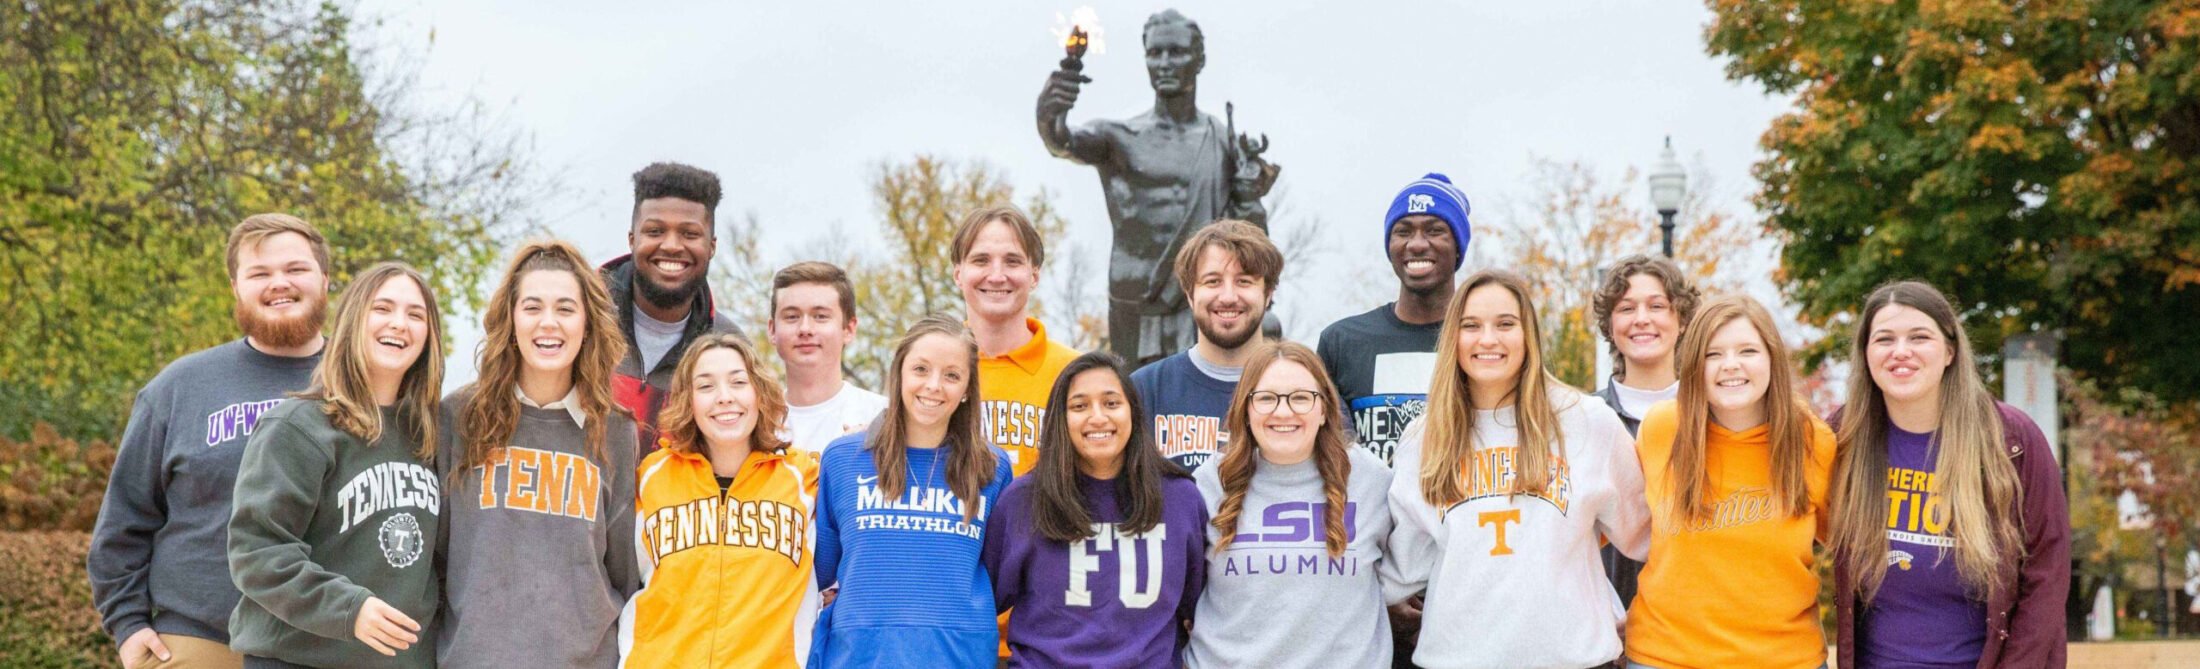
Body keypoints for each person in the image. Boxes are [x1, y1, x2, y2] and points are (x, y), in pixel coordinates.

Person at [90, 214, 332, 669]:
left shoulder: (363, 385)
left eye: (295, 269)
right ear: (236, 289)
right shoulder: (179, 387)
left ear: (325, 279)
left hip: (326, 648)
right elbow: (124, 520)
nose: (279, 283)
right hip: (197, 644)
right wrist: (127, 624)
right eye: (259, 273)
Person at [1381, 270, 1651, 669]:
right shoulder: (1424, 437)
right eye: (1471, 326)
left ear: (1529, 336)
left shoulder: (1587, 422)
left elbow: (1650, 537)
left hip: (1573, 659)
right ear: (1452, 337)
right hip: (1456, 659)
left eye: (1505, 324)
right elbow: (1403, 568)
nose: (1488, 339)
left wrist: (1643, 620)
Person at [1827, 281, 2069, 668]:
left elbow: (2048, 574)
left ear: (1950, 351)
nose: (1900, 352)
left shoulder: (2011, 440)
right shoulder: (1842, 438)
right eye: (1884, 339)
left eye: (1919, 337)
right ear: (1866, 354)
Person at [225, 262, 446, 669]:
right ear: (352, 320)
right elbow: (257, 552)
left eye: (415, 315)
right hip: (299, 659)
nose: (399, 324)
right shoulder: (297, 427)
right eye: (382, 309)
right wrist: (350, 609)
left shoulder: (434, 435)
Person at [435, 241, 639, 668]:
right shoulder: (457, 417)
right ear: (510, 321)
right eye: (532, 308)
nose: (549, 323)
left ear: (587, 323)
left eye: (565, 309)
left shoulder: (616, 429)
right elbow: (437, 558)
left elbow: (622, 571)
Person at [1036, 8, 1279, 365]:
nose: (1164, 63)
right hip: (1135, 298)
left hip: (1203, 299)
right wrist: (1049, 115)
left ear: (1199, 59)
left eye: (1176, 52)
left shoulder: (1222, 141)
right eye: (1155, 53)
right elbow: (1062, 142)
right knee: (1134, 404)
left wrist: (1248, 194)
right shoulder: (1119, 138)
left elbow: (1252, 236)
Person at [1624, 295, 1836, 669]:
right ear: (1693, 366)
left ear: (1771, 357)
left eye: (1748, 351)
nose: (1731, 366)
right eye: (1713, 354)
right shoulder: (1660, 430)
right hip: (1665, 657)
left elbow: (1850, 548)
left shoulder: (1811, 441)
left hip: (1785, 659)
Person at [811, 315, 1016, 668]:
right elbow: (820, 569)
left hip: (958, 656)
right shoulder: (843, 458)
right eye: (921, 369)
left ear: (968, 387)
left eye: (952, 375)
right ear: (900, 372)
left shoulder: (992, 468)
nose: (934, 385)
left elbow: (1001, 577)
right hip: (859, 657)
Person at [983, 351, 1206, 667]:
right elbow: (979, 603)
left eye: (1111, 403)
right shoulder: (1023, 500)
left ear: (1133, 411)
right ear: (1061, 419)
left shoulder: (1180, 498)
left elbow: (1196, 608)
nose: (1098, 416)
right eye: (1079, 406)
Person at [1186, 341, 1393, 669]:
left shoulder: (1370, 480)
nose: (1283, 412)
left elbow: (1407, 569)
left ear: (1324, 409)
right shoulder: (1209, 483)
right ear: (1246, 408)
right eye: (1266, 398)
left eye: (1300, 397)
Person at [624, 333, 821, 668]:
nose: (724, 398)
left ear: (758, 391)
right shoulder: (651, 476)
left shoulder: (805, 479)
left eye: (738, 382)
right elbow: (624, 576)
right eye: (706, 387)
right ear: (688, 401)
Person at [1586, 254, 1701, 634]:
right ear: (1610, 325)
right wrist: (1605, 614)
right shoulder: (1582, 420)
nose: (1642, 318)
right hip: (1602, 629)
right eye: (1626, 308)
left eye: (1657, 306)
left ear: (1681, 320)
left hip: (1695, 630)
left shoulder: (1710, 417)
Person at [603, 161, 743, 454]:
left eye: (689, 234)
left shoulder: (730, 346)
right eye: (655, 231)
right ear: (632, 239)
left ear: (712, 246)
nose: (671, 245)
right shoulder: (579, 321)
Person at [1132, 220, 1281, 471]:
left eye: (1244, 281)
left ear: (1268, 294)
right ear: (1190, 294)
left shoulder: (1306, 391)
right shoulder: (1144, 390)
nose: (1228, 297)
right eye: (1213, 281)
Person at [953, 205, 1080, 476]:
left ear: (1034, 275)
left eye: (1012, 261)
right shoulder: (930, 368)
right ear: (958, 275)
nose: (997, 276)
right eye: (981, 260)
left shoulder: (1075, 372)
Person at [770, 261, 887, 453]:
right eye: (791, 316)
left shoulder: (883, 418)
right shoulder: (753, 425)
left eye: (820, 316)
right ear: (772, 330)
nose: (805, 329)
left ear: (849, 329)